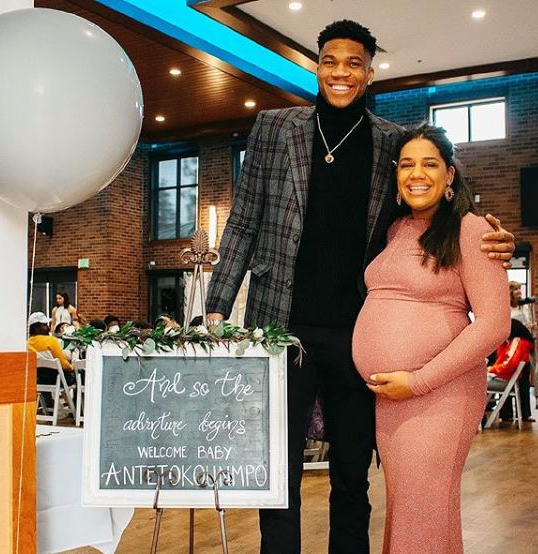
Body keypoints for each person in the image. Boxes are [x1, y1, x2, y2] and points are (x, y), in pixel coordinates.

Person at [205, 20, 515, 554]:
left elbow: (430, 197)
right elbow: (244, 220)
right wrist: (216, 307)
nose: (341, 72)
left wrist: (491, 235)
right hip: (280, 326)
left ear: (370, 73)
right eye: (330, 61)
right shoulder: (274, 128)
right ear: (317, 66)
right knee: (277, 472)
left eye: (354, 63)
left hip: (353, 335)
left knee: (352, 474)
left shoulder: (390, 141)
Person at [353, 124, 510, 553]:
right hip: (393, 398)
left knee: (422, 509)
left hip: (439, 394)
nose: (416, 174)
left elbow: (495, 324)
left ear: (449, 174)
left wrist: (418, 381)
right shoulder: (395, 230)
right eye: (406, 165)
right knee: (413, 510)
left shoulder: (471, 230)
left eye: (429, 164)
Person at [27, 312, 75, 408]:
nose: (48, 327)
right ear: (36, 328)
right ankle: (76, 407)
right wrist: (72, 367)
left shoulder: (27, 344)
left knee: (44, 374)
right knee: (79, 376)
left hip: (39, 380)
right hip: (58, 380)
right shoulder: (51, 341)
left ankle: (48, 406)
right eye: (44, 325)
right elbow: (63, 364)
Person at [493, 317, 536, 422]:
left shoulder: (518, 342)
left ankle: (506, 415)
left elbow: (507, 362)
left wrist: (492, 369)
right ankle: (524, 414)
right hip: (518, 365)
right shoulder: (521, 341)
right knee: (523, 388)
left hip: (511, 367)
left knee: (516, 386)